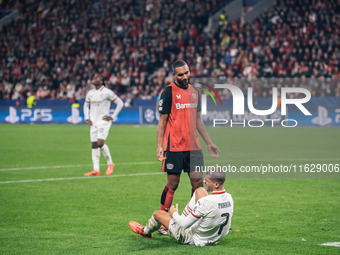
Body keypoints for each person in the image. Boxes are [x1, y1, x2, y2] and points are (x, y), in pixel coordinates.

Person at [156, 60, 220, 218]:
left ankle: (192, 218)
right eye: (180, 74)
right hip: (175, 146)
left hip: (194, 147)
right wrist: (159, 146)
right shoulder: (168, 92)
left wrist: (209, 143)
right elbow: (162, 121)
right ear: (174, 75)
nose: (185, 76)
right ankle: (163, 219)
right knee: (173, 184)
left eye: (186, 73)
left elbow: (198, 120)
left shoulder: (195, 92)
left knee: (198, 184)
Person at [129, 169, 234, 246]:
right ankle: (177, 223)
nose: (204, 181)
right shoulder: (229, 197)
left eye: (207, 180)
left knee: (158, 214)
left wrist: (174, 213)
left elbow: (184, 225)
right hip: (216, 237)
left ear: (216, 184)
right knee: (200, 190)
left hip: (195, 239)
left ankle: (145, 231)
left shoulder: (206, 202)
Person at [83, 74, 124, 176]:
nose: (94, 79)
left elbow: (120, 103)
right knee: (94, 145)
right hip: (94, 122)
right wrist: (86, 117)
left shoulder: (107, 92)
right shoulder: (90, 93)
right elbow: (86, 105)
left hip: (103, 122)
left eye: (96, 78)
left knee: (100, 143)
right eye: (93, 77)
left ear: (101, 81)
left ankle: (110, 164)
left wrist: (113, 116)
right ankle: (96, 169)